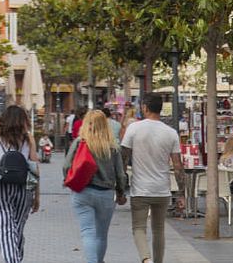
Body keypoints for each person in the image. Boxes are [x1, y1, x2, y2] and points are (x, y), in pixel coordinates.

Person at [121, 94, 184, 263]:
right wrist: (181, 194)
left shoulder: (133, 128)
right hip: (162, 190)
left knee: (139, 228)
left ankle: (145, 259)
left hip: (140, 189)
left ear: (145, 107)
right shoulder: (171, 133)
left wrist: (120, 187)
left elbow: (123, 158)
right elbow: (178, 166)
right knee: (159, 230)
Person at [64, 110, 127, 263]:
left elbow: (66, 165)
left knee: (88, 232)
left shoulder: (80, 142)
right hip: (106, 194)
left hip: (82, 192)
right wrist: (120, 193)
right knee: (101, 235)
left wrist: (69, 180)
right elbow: (120, 174)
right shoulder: (112, 146)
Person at [0, 105, 39, 263]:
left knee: (5, 228)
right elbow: (34, 168)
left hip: (0, 188)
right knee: (17, 229)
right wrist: (36, 196)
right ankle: (15, 258)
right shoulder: (28, 138)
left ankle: (13, 260)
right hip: (24, 188)